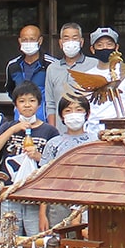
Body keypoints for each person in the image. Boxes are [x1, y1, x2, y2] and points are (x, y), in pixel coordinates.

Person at [0, 82, 58, 236]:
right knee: (9, 238)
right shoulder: (7, 127)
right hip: (10, 192)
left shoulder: (49, 131)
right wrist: (13, 128)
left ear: (39, 104)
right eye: (22, 101)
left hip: (35, 194)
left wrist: (38, 156)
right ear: (15, 105)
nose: (27, 105)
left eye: (32, 101)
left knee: (35, 238)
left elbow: (56, 165)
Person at [41, 92, 99, 232]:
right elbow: (44, 179)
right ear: (61, 115)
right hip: (58, 203)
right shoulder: (53, 144)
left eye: (79, 110)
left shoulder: (96, 142)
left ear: (87, 114)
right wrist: (42, 213)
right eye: (68, 110)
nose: (74, 114)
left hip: (89, 203)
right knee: (58, 246)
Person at [82, 27, 125, 127]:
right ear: (92, 49)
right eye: (100, 45)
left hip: (121, 129)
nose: (105, 48)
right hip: (94, 131)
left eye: (109, 44)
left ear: (116, 47)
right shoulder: (88, 76)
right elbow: (84, 107)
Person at [44, 22, 99, 127]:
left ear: (81, 42)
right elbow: (50, 104)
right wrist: (53, 130)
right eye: (66, 38)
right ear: (60, 43)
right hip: (61, 130)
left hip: (88, 129)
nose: (70, 42)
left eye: (74, 38)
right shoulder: (52, 69)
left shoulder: (94, 65)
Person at [5, 23, 55, 101]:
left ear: (40, 41)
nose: (28, 43)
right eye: (25, 40)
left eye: (32, 39)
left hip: (45, 112)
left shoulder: (51, 64)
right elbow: (10, 90)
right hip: (20, 112)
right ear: (20, 41)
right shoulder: (13, 65)